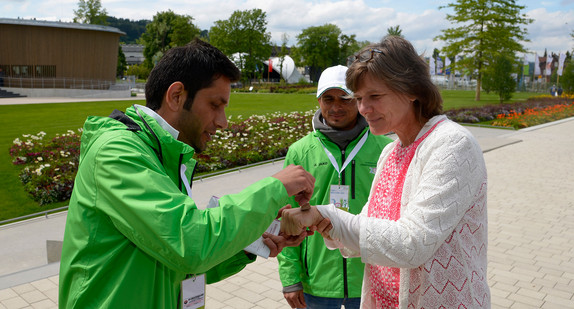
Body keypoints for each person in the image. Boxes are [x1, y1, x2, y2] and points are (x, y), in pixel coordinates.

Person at [59, 38, 316, 308]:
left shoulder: (162, 152)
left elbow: (177, 262)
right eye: (216, 105)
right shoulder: (118, 152)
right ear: (176, 96)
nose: (223, 122)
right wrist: (275, 188)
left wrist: (248, 242)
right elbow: (190, 245)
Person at [281, 36, 490, 308]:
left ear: (412, 89)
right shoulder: (391, 152)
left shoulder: (451, 144)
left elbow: (412, 243)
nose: (363, 109)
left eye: (375, 96)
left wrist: (328, 215)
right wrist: (318, 221)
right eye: (358, 98)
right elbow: (367, 230)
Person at [278, 65, 393, 309]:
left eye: (345, 99)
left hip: (371, 276)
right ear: (318, 100)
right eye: (328, 99)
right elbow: (285, 218)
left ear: (358, 101)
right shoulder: (300, 151)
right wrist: (290, 278)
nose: (336, 107)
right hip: (317, 280)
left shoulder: (385, 148)